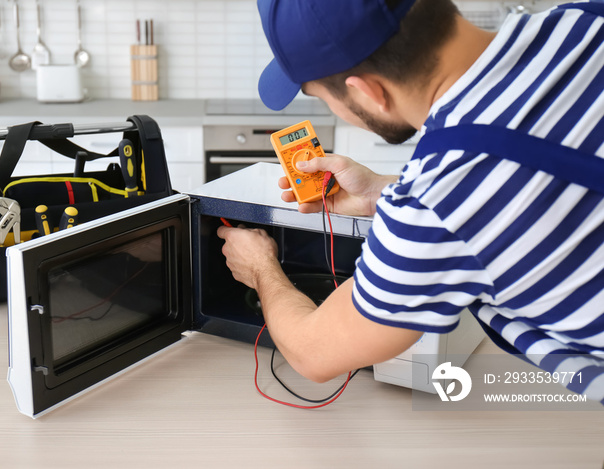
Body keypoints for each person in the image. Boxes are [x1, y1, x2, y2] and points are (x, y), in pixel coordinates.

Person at [216, 0, 604, 402]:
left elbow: (312, 353)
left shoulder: (436, 203)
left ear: (368, 93)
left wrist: (261, 266)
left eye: (323, 99)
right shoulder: (586, 20)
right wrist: (384, 193)